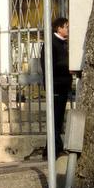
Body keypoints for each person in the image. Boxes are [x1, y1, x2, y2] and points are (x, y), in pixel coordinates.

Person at [40, 17, 72, 158]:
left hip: (63, 85)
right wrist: (68, 68)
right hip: (56, 86)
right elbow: (49, 66)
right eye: (66, 27)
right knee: (55, 118)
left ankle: (50, 150)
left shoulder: (63, 43)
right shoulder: (51, 43)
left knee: (58, 119)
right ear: (59, 28)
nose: (68, 29)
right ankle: (54, 149)